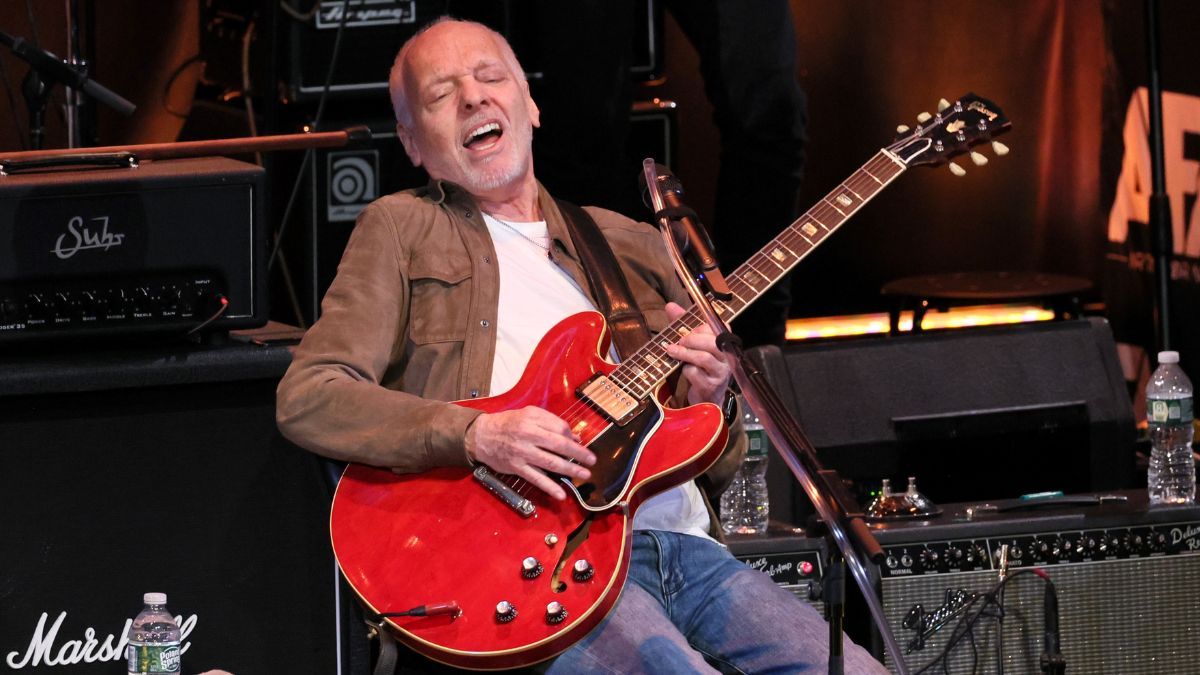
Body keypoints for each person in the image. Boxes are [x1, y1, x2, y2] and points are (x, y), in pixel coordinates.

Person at [276, 17, 886, 674]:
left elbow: (718, 460)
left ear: (530, 105)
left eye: (490, 78)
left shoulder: (627, 242)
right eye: (441, 95)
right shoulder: (402, 228)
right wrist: (477, 433)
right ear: (413, 143)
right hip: (549, 560)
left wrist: (709, 393)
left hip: (689, 552)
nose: (475, 99)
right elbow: (310, 397)